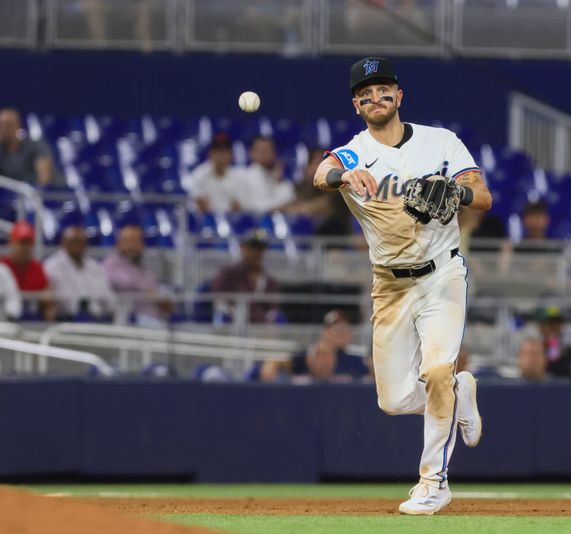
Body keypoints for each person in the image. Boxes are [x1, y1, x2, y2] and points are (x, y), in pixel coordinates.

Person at [313, 57, 492, 515]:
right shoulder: (355, 151)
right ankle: (457, 394)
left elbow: (484, 196)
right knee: (392, 401)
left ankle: (433, 482)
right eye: (365, 93)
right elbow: (320, 175)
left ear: (400, 95)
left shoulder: (441, 141)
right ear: (356, 104)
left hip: (441, 275)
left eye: (383, 88)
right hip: (389, 286)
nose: (376, 97)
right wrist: (342, 175)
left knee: (435, 371)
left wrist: (458, 193)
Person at [103, 224, 172, 325]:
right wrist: (151, 294)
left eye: (136, 241)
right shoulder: (110, 263)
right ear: (119, 243)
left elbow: (155, 292)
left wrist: (161, 299)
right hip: (128, 319)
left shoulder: (144, 269)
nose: (132, 245)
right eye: (129, 241)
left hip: (154, 319)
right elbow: (124, 284)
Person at [44, 226, 116, 320]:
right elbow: (61, 301)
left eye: (81, 242)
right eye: (73, 241)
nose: (77, 245)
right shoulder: (51, 266)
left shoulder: (95, 267)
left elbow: (108, 297)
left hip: (97, 319)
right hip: (66, 319)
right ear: (64, 243)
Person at [211, 230, 280, 323]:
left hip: (261, 329)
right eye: (252, 247)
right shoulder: (228, 274)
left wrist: (267, 322)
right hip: (232, 327)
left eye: (260, 249)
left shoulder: (269, 281)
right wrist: (238, 317)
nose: (256, 252)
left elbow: (272, 308)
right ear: (242, 248)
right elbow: (220, 302)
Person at [290, 310, 370, 379]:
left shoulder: (356, 361)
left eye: (345, 328)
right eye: (336, 329)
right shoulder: (309, 356)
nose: (341, 333)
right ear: (325, 332)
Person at [0, 221, 54, 320]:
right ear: (12, 243)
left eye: (28, 243)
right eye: (21, 243)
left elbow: (48, 300)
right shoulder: (2, 267)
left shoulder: (37, 269)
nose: (24, 248)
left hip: (32, 319)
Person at [188, 133, 247, 214]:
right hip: (205, 220)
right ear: (210, 154)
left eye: (225, 151)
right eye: (217, 151)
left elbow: (238, 207)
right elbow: (201, 205)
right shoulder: (200, 174)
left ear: (231, 155)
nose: (221, 155)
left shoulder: (238, 176)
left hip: (232, 221)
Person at [240, 136, 296, 214]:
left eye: (269, 150)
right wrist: (278, 207)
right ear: (252, 153)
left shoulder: (282, 180)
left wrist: (278, 182)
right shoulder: (244, 176)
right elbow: (252, 206)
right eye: (262, 150)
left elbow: (290, 200)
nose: (266, 153)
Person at [0, 108, 54, 187]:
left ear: (17, 126)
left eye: (8, 125)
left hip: (33, 195)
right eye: (1, 125)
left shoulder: (35, 146)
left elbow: (45, 179)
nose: (4, 129)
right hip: (7, 196)